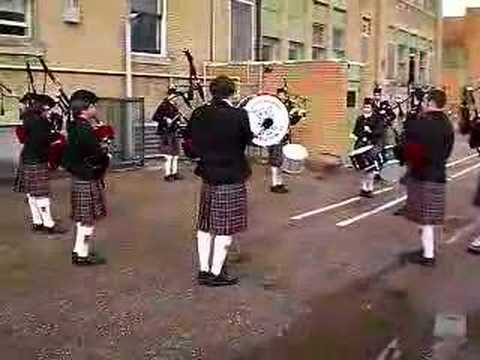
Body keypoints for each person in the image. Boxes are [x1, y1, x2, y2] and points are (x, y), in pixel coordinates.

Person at [190, 75, 253, 287]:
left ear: (211, 91)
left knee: (205, 225)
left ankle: (204, 270)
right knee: (225, 228)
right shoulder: (239, 115)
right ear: (232, 92)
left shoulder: (199, 113)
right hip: (231, 176)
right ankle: (217, 273)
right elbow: (248, 140)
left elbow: (190, 143)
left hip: (208, 175)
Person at [404, 89, 454, 266]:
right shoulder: (448, 124)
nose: (423, 104)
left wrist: (406, 160)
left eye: (426, 101)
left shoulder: (422, 123)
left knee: (425, 220)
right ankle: (427, 248)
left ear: (432, 102)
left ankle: (428, 255)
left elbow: (410, 147)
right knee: (426, 219)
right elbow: (447, 152)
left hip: (422, 176)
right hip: (438, 174)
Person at [62, 90, 109, 266]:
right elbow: (95, 154)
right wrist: (105, 154)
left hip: (79, 175)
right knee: (87, 220)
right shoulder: (84, 129)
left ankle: (78, 250)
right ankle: (82, 255)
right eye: (93, 106)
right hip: (87, 176)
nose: (95, 108)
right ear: (85, 108)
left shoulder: (74, 125)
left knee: (83, 219)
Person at [13, 93, 65, 234]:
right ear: (41, 108)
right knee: (41, 194)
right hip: (37, 160)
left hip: (27, 159)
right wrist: (56, 142)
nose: (49, 112)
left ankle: (37, 222)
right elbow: (41, 142)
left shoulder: (27, 119)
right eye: (47, 109)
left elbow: (27, 138)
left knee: (32, 193)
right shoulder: (40, 122)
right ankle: (49, 224)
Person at [351, 97, 384, 197]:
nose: (366, 109)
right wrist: (356, 136)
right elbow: (356, 131)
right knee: (363, 168)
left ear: (371, 108)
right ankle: (363, 188)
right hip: (361, 144)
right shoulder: (360, 118)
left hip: (372, 145)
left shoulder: (377, 119)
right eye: (365, 107)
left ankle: (369, 188)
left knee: (371, 168)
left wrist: (370, 132)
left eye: (368, 107)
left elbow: (379, 132)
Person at [152, 87, 184, 182]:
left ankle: (174, 173)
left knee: (175, 155)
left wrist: (178, 121)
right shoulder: (163, 105)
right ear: (170, 95)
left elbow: (177, 118)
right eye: (174, 95)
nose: (176, 98)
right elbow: (155, 117)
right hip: (166, 133)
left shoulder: (175, 107)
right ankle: (167, 174)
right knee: (169, 156)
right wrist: (165, 119)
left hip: (174, 132)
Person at [267, 87, 290, 194]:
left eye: (284, 95)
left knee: (279, 161)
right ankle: (275, 184)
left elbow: (290, 122)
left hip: (282, 137)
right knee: (276, 161)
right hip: (275, 138)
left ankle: (279, 183)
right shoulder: (274, 108)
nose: (282, 97)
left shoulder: (285, 108)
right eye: (281, 95)